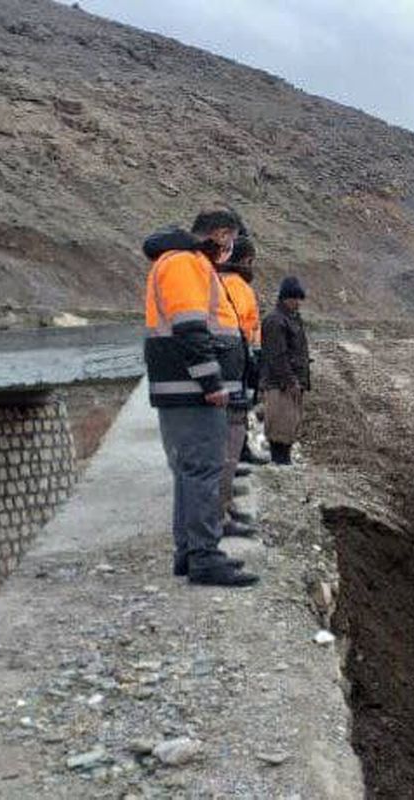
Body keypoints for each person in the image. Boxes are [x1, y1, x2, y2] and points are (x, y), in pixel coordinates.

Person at [143, 210, 259, 586]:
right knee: (204, 470)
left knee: (189, 473)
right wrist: (211, 384)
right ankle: (205, 557)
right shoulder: (186, 263)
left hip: (182, 390)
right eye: (230, 239)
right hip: (192, 393)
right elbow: (191, 329)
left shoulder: (178, 261)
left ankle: (188, 554)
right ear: (221, 235)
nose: (230, 249)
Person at [216, 235, 262, 535]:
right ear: (245, 260)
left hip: (231, 371)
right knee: (228, 442)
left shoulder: (219, 282)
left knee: (228, 441)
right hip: (235, 372)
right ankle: (221, 510)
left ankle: (224, 504)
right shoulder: (237, 287)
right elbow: (245, 330)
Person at [260, 276, 310, 465]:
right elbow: (277, 356)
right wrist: (291, 380)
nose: (298, 303)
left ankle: (283, 461)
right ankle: (280, 463)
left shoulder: (290, 319)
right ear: (285, 298)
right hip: (280, 384)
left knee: (288, 426)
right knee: (279, 427)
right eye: (295, 299)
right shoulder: (276, 321)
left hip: (288, 383)